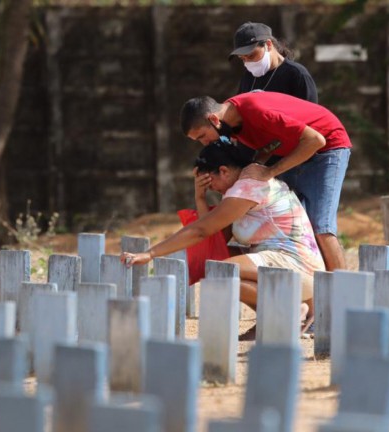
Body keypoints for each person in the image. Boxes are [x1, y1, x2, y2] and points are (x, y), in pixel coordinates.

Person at [120, 141, 324, 337]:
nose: (213, 189)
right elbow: (217, 238)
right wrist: (200, 198)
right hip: (283, 265)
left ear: (224, 171)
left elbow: (201, 231)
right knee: (220, 268)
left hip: (296, 265)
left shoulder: (249, 187)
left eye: (211, 182)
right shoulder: (239, 190)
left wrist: (150, 253)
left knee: (220, 274)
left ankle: (288, 309)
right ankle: (280, 313)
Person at [179, 92, 351, 272]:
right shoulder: (234, 124)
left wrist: (270, 171)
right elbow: (274, 140)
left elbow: (316, 140)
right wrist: (257, 163)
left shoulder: (257, 111)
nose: (205, 143)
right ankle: (310, 289)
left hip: (328, 145)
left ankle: (341, 294)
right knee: (300, 224)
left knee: (320, 227)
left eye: (202, 136)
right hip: (295, 149)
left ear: (214, 119)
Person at [230, 22, 317, 102]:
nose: (247, 62)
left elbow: (310, 115)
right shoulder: (248, 77)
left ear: (268, 45)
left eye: (251, 55)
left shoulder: (297, 75)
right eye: (242, 58)